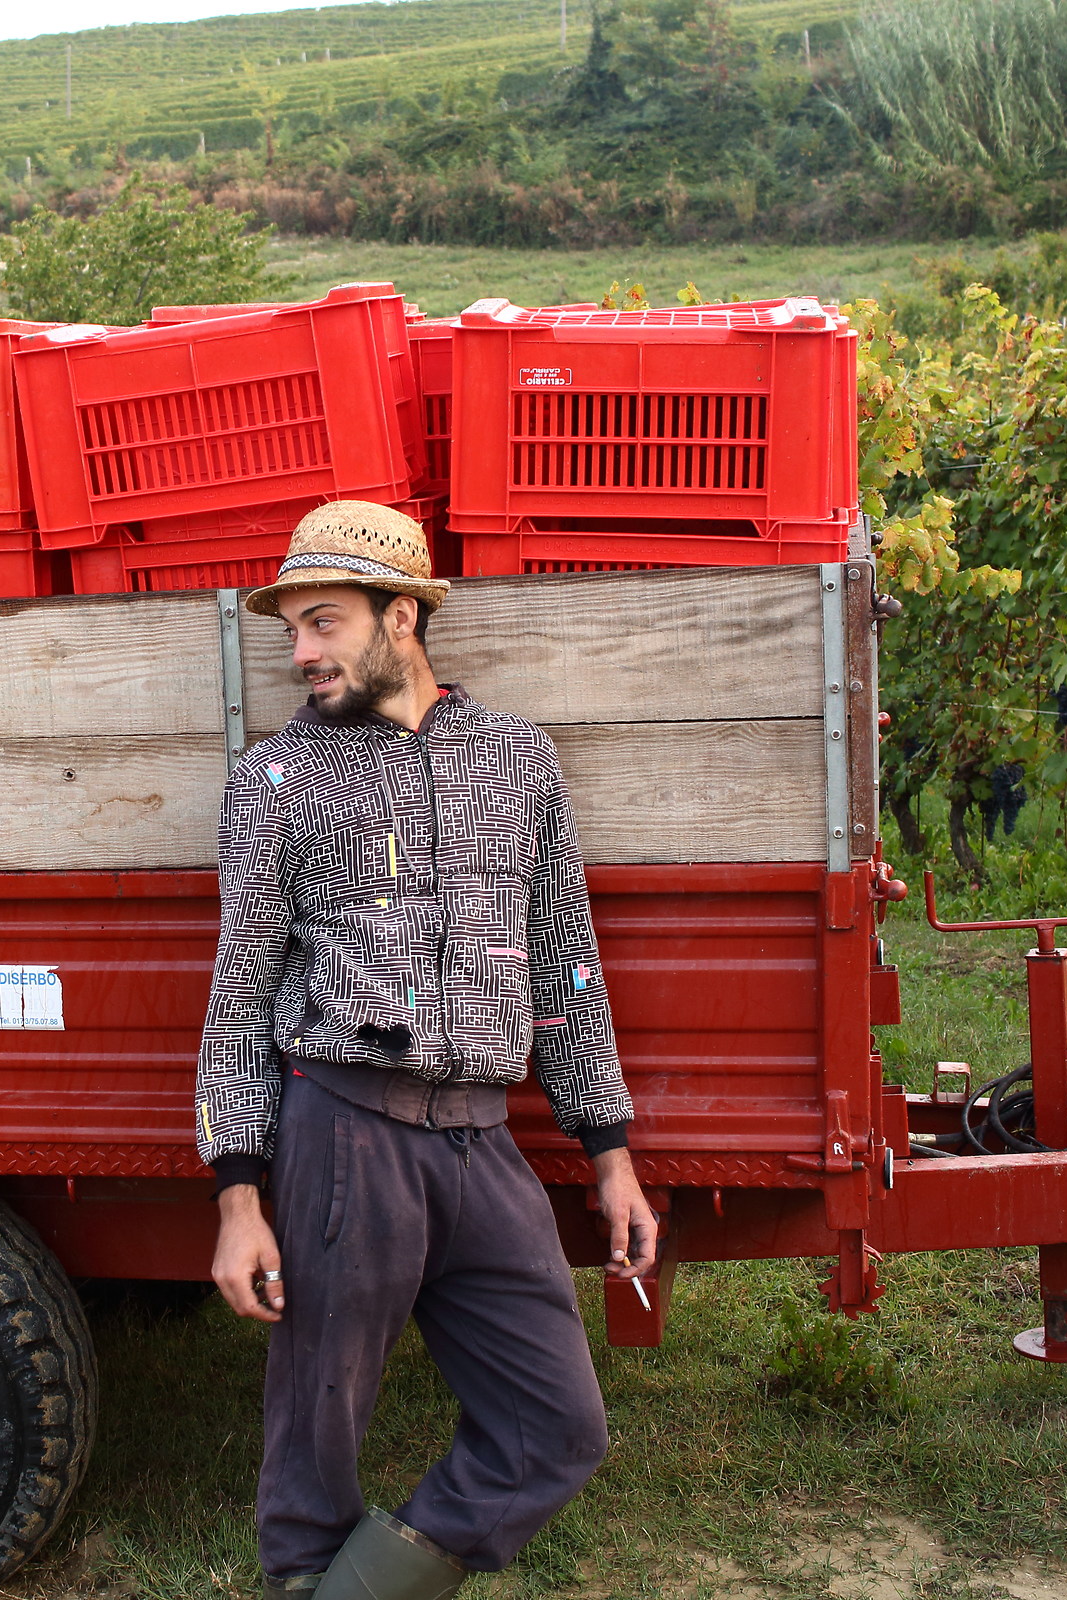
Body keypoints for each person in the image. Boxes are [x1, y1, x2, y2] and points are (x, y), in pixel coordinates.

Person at [194, 500, 659, 1600]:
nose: (301, 653)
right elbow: (238, 996)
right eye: (291, 633)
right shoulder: (275, 784)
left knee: (558, 1422)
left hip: (483, 1146)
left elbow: (566, 965)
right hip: (340, 1133)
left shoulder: (518, 760)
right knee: (315, 1440)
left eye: (322, 624)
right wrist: (237, 1196)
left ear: (402, 616)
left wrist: (610, 1153)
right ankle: (308, 1581)